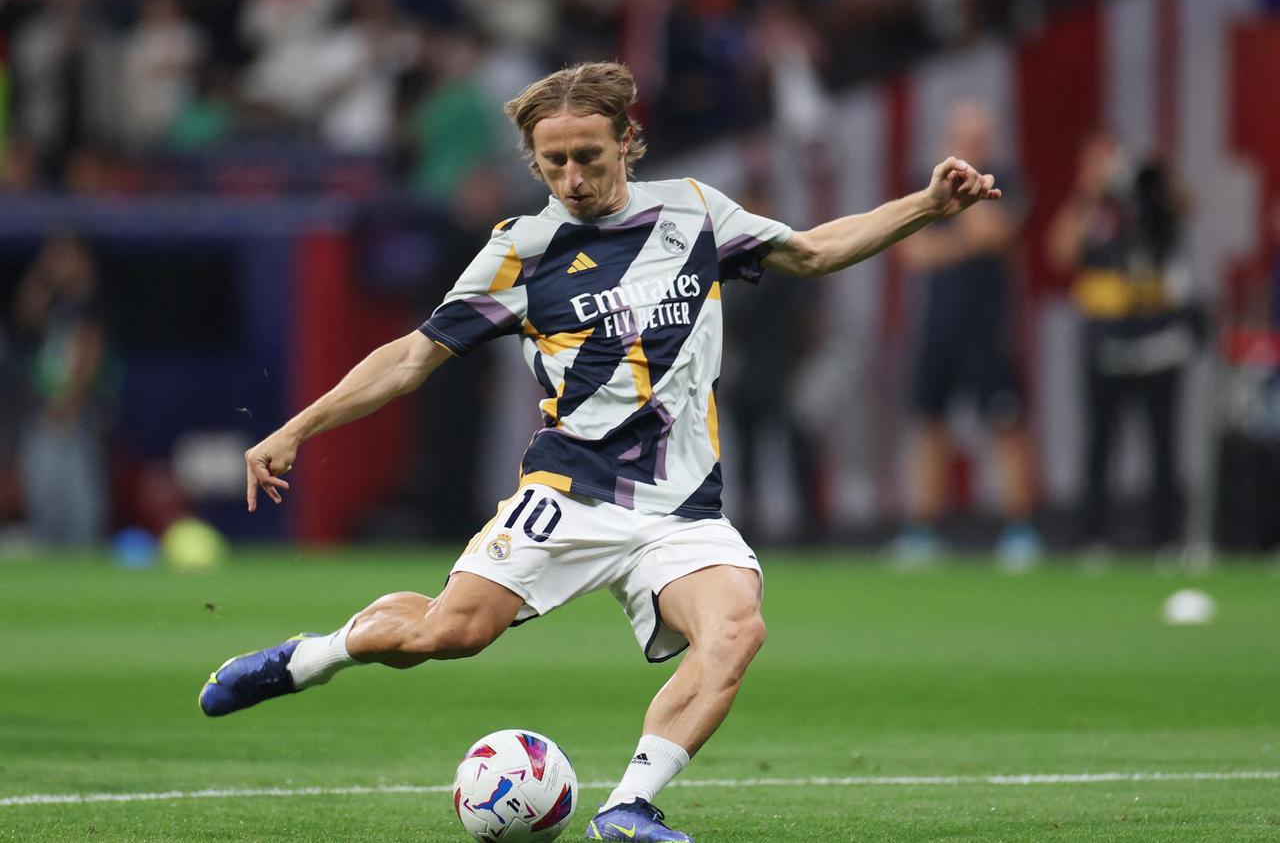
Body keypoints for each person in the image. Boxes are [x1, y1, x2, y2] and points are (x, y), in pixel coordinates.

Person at [198, 61, 1001, 842]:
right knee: (448, 633)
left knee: (736, 628)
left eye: (588, 156)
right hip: (570, 493)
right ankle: (312, 656)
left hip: (681, 511)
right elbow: (411, 357)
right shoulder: (522, 249)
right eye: (553, 162)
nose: (573, 178)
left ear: (626, 142)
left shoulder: (695, 213)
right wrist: (297, 427)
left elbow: (815, 250)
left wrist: (929, 204)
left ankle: (628, 808)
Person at [895, 101, 1040, 569]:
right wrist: (956, 238)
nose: (968, 146)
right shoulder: (928, 184)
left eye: (976, 139)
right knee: (928, 426)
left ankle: (1019, 529)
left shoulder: (1004, 181)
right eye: (961, 138)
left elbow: (993, 235)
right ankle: (921, 531)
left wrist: (967, 196)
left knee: (1005, 424)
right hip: (938, 328)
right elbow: (912, 253)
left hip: (988, 329)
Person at [1048, 135, 1199, 551]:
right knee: (1100, 441)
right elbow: (1060, 253)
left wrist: (1157, 180)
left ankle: (1167, 537)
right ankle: (1092, 535)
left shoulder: (1149, 199)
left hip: (1157, 337)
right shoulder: (1093, 209)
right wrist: (1089, 194)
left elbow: (1187, 206)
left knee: (1163, 442)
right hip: (1107, 339)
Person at [12, 231, 112, 545]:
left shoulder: (91, 300)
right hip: (46, 403)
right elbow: (25, 316)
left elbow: (90, 350)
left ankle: (84, 545)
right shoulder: (58, 300)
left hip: (76, 409)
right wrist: (41, 277)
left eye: (63, 255)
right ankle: (50, 543)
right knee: (43, 483)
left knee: (77, 486)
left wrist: (70, 401)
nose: (56, 263)